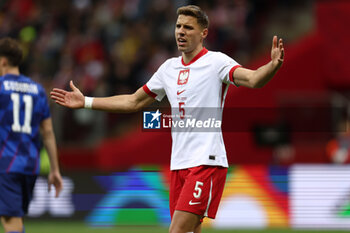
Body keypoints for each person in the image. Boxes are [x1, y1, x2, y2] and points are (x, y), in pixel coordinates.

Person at [51, 5, 284, 233]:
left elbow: (253, 80)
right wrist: (87, 102)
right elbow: (133, 101)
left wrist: (272, 66)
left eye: (188, 28)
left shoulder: (217, 62)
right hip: (179, 165)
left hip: (206, 162)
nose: (181, 32)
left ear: (203, 33)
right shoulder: (168, 68)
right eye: (178, 26)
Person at [0, 37, 63, 233]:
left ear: (2, 61)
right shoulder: (37, 90)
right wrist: (55, 169)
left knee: (12, 224)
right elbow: (48, 132)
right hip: (29, 166)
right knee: (14, 219)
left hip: (6, 164)